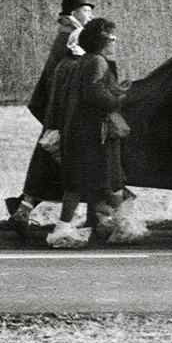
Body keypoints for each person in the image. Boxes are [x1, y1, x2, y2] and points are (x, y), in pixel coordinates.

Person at [43, 17, 134, 247]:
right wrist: (121, 97)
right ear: (102, 41)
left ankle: (64, 227)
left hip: (78, 132)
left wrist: (115, 89)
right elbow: (96, 95)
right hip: (96, 135)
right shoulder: (98, 62)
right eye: (112, 38)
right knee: (112, 181)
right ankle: (124, 226)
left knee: (75, 185)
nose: (115, 42)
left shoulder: (84, 61)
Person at [7, 0, 95, 229]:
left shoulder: (67, 35)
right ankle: (25, 211)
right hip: (63, 113)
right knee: (58, 162)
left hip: (57, 110)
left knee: (50, 163)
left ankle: (23, 209)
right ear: (73, 13)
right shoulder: (71, 37)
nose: (91, 15)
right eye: (87, 10)